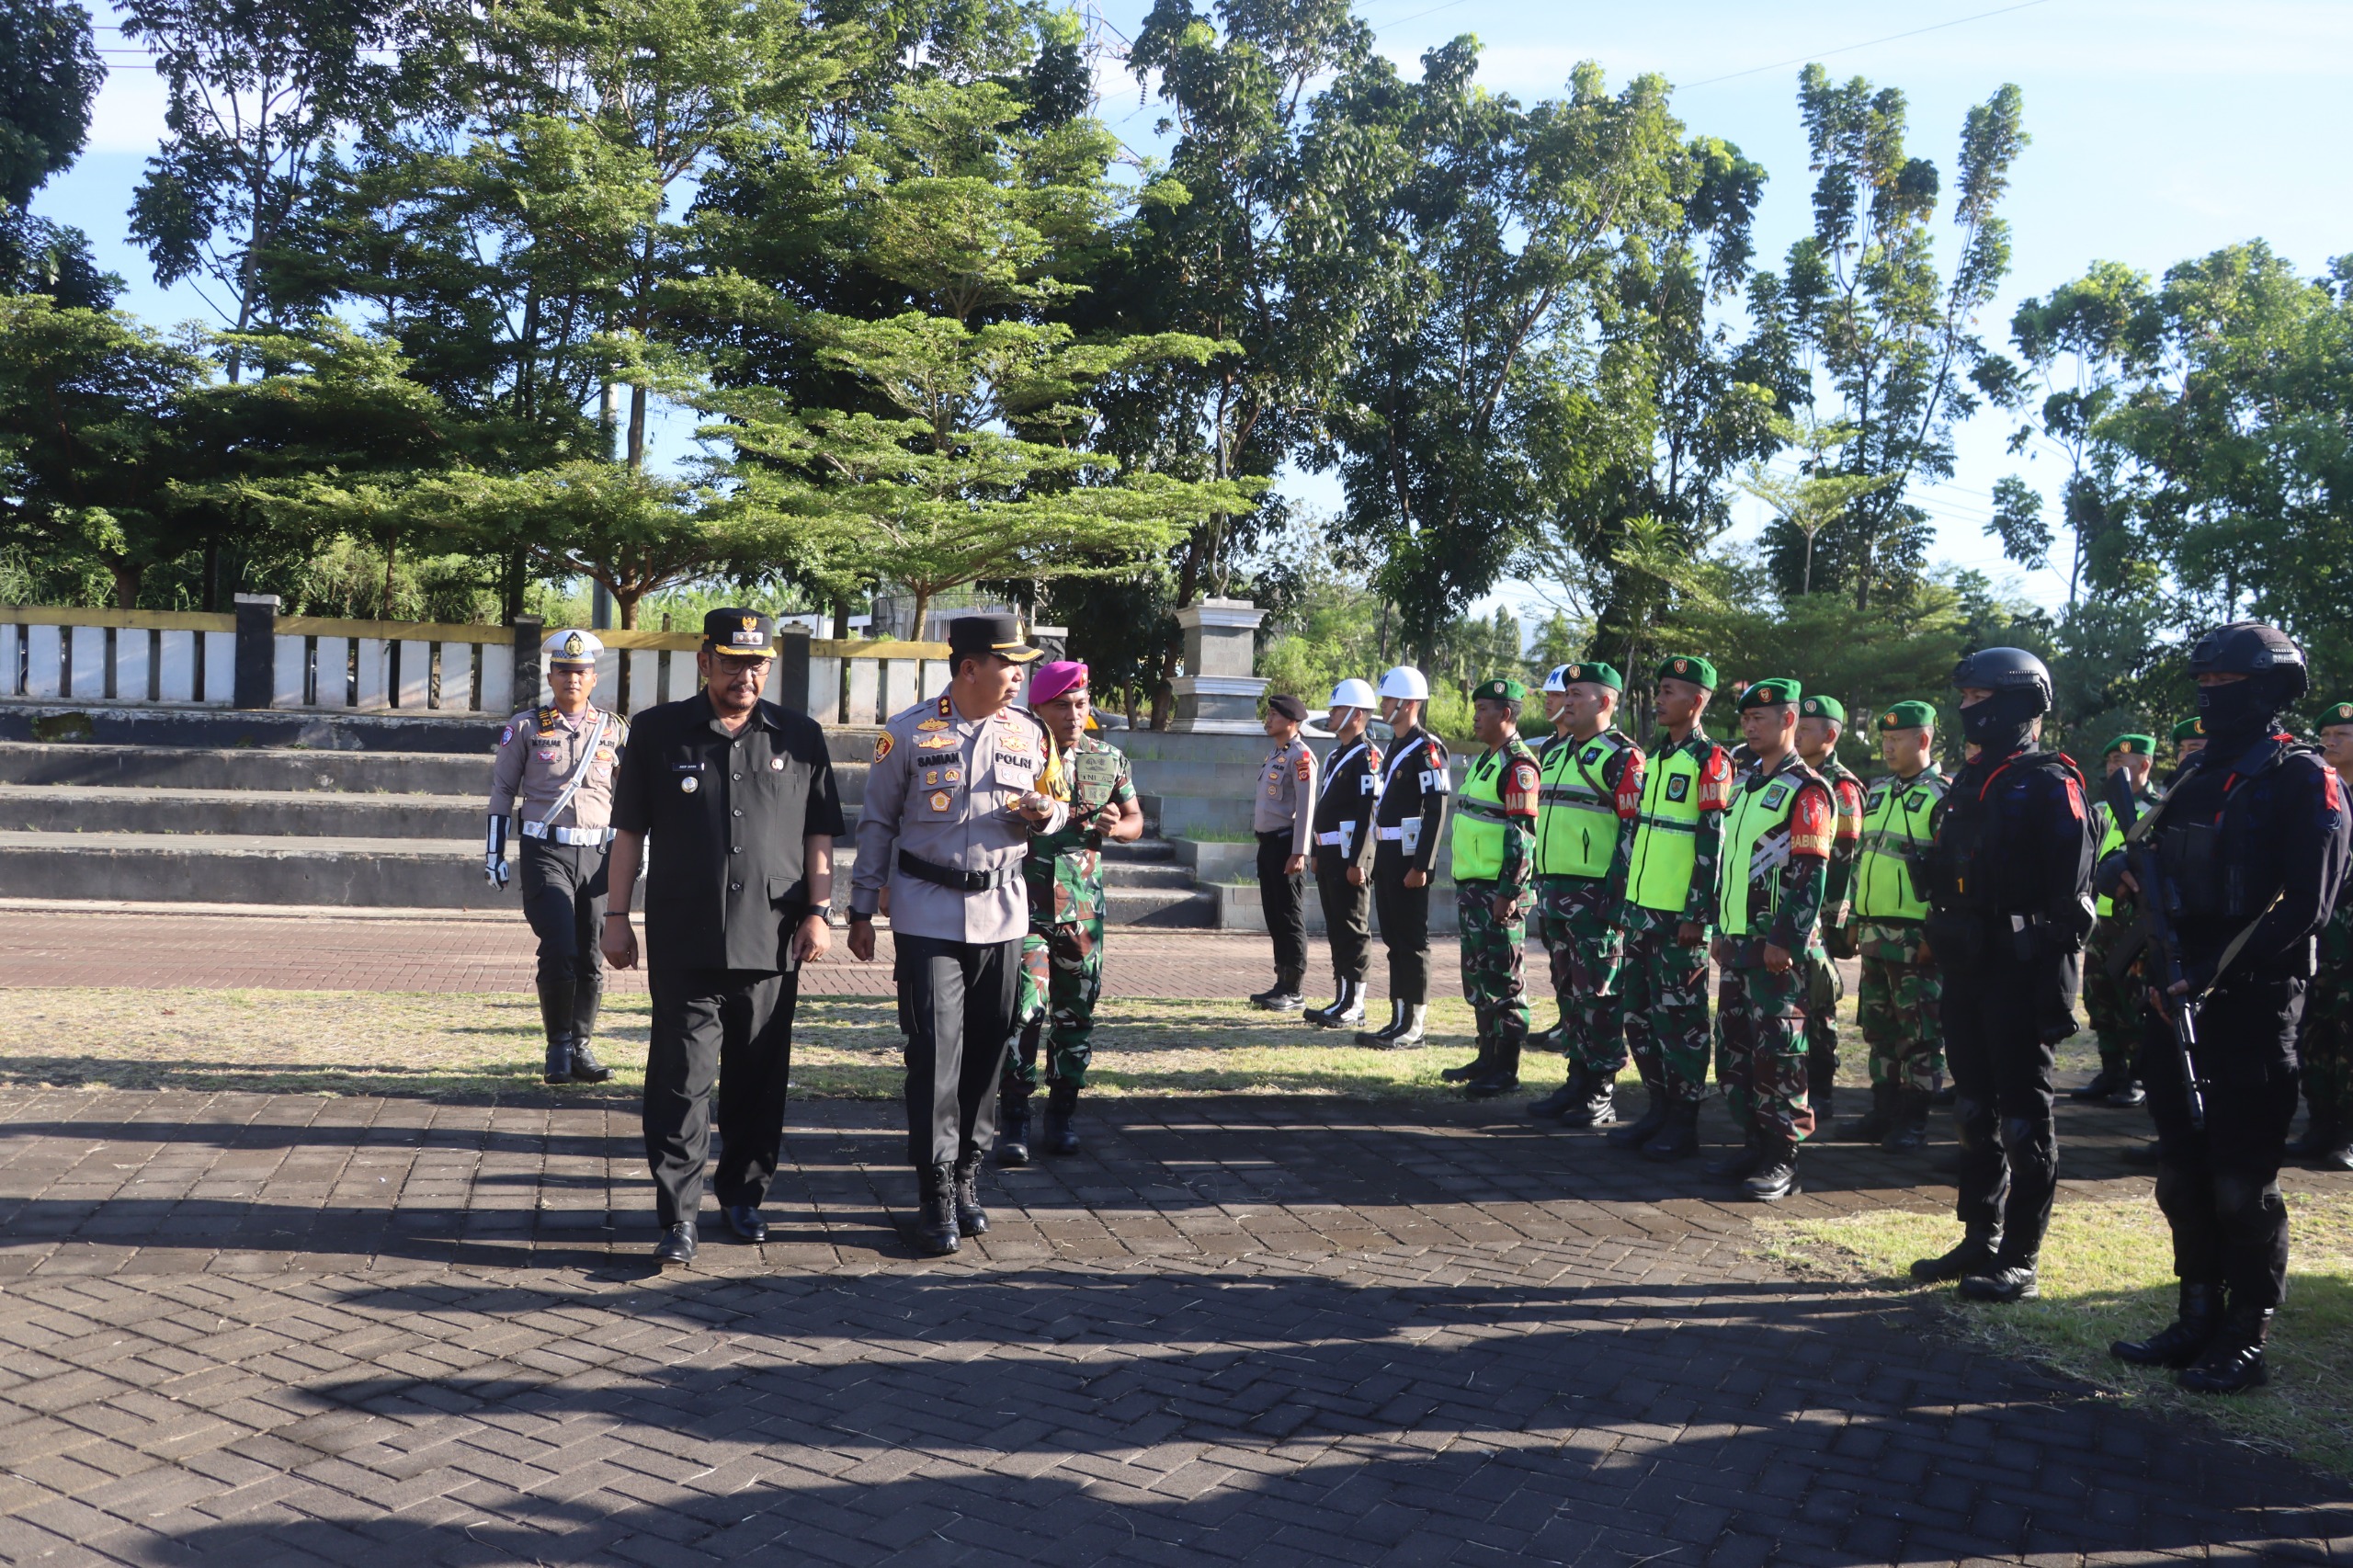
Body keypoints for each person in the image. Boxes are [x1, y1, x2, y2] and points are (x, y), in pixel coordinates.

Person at [2107, 623, 2349, 1392]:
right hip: (2174, 997)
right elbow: (2148, 856)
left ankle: (2246, 1337)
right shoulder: (2196, 775)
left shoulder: (2303, 779)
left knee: (2243, 1185)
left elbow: (2307, 907)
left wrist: (2210, 972)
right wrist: (2124, 876)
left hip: (2251, 1006)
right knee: (2181, 1177)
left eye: (2226, 686)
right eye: (2203, 687)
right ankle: (2197, 1314)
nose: (2211, 700)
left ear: (2272, 690)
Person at [601, 609, 844, 1268]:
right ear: (704, 661)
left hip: (772, 939)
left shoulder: (800, 736)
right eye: (733, 661)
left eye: (756, 663)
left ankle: (743, 1196)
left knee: (758, 1077)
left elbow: (819, 834)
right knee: (680, 1082)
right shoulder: (657, 733)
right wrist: (615, 916)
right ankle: (677, 1215)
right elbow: (629, 832)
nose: (746, 674)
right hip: (686, 938)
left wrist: (821, 911)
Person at [848, 614, 1062, 1256]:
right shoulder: (908, 734)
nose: (1019, 674)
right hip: (926, 910)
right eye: (1008, 662)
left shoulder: (1030, 733)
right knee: (936, 1052)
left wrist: (1044, 815)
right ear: (970, 668)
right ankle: (934, 1184)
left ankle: (969, 1172)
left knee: (990, 1048)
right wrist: (861, 908)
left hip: (1002, 910)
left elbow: (1052, 807)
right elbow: (877, 823)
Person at [1909, 647, 2097, 1303]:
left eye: (1978, 697)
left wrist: (2036, 962)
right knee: (1970, 1108)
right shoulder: (1971, 778)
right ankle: (1978, 1237)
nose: (1966, 709)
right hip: (1968, 963)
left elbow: (2072, 904)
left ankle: (2021, 1255)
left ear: (2016, 700)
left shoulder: (2051, 781)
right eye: (1965, 697)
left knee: (2023, 1117)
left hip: (2021, 970)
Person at [996, 661, 1142, 1165]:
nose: (1073, 714)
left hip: (1082, 914)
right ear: (1037, 707)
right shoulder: (1020, 754)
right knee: (1023, 1012)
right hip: (1025, 909)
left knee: (1075, 1016)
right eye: (1062, 704)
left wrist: (1116, 828)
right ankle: (1013, 1119)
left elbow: (1135, 819)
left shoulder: (1108, 758)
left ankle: (1062, 1115)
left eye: (1080, 704)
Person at [1706, 678, 1835, 1200]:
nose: (1750, 726)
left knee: (1781, 1050)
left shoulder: (1808, 789)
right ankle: (1754, 1144)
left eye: (1760, 718)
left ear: (1788, 721)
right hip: (1738, 944)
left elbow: (1811, 873)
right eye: (1745, 719)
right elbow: (1727, 867)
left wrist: (1786, 937)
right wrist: (1719, 927)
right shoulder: (1744, 787)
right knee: (1736, 1049)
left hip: (1776, 949)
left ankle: (1784, 1157)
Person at [486, 629, 627, 1086]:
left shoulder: (614, 729)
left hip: (599, 852)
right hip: (545, 850)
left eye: (581, 672)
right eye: (564, 671)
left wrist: (636, 852)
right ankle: (557, 1047)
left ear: (593, 678)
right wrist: (494, 852)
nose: (572, 679)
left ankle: (583, 1047)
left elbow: (630, 799)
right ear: (551, 675)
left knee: (590, 952)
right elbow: (503, 792)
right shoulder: (526, 726)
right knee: (560, 945)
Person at [1608, 654, 1733, 1160]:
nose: (1658, 699)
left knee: (1680, 1022)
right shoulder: (1656, 759)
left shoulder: (1711, 761)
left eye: (1668, 691)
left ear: (1697, 701)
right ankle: (1657, 1109)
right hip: (1641, 914)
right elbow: (1634, 837)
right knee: (1638, 1016)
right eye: (1658, 690)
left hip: (1679, 922)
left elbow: (1714, 845)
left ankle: (1684, 1121)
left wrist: (1697, 915)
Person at [1525, 662, 1643, 1128]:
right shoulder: (1553, 754)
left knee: (1600, 994)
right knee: (1568, 992)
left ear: (1606, 702)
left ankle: (1601, 1088)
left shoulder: (1623, 757)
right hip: (1555, 894)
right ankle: (1577, 1077)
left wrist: (1617, 901)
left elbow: (1632, 833)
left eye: (1577, 694)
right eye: (1566, 693)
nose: (1567, 701)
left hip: (1597, 900)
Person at [1837, 701, 1948, 1151]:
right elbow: (1864, 863)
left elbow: (1949, 877)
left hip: (1915, 937)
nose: (1887, 746)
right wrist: (1854, 919)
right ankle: (1882, 1112)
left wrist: (1934, 934)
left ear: (1922, 740)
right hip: (1875, 934)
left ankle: (1913, 1121)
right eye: (1884, 739)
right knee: (1879, 1029)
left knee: (1919, 1033)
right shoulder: (1879, 793)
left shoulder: (1943, 797)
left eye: (1896, 739)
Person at [1447, 678, 1542, 1097]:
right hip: (1475, 890)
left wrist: (1508, 891)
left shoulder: (1518, 765)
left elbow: (1521, 837)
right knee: (1479, 978)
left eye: (1483, 708)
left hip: (1498, 893)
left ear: (1506, 714)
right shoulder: (1488, 760)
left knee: (1504, 980)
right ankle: (1486, 1056)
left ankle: (1506, 1068)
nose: (1475, 715)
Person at [1361, 666, 1450, 1048]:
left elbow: (1436, 808)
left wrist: (1423, 866)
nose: (1382, 706)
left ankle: (1414, 1025)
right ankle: (1398, 1017)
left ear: (1409, 703)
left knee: (1412, 940)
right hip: (1387, 854)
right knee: (1395, 940)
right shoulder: (1395, 746)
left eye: (1389, 699)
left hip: (1410, 858)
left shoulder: (1427, 748)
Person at [2075, 733, 2161, 1109]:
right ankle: (2111, 1071)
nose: (2113, 768)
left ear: (2144, 765)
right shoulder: (2099, 808)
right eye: (2110, 761)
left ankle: (2137, 1076)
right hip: (2101, 922)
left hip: (2136, 926)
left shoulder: (2160, 809)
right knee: (2099, 998)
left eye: (2121, 762)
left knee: (2134, 1002)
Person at [1793, 695, 1866, 1119]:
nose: (1798, 733)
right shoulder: (1795, 776)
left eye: (1807, 727)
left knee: (1819, 1006)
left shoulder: (1841, 786)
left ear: (1831, 735)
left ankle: (1820, 1089)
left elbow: (1845, 859)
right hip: (1792, 911)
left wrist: (1833, 924)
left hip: (1820, 917)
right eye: (1796, 724)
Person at [2290, 701, 2353, 1171]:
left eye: (2341, 734)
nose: (2329, 742)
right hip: (2320, 934)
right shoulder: (2315, 795)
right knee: (2314, 1031)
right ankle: (2319, 1126)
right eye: (2325, 734)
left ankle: (2346, 1136)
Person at [1305, 679, 1383, 1028]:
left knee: (1353, 928)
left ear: (1357, 715)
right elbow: (1323, 807)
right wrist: (1315, 849)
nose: (1332, 713)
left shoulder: (1368, 755)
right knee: (1337, 928)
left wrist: (1358, 861)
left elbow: (1369, 810)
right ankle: (1341, 998)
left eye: (1338, 708)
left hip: (1350, 856)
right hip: (1330, 853)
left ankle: (1356, 1003)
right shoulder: (1337, 753)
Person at [1249, 695, 1318, 1010]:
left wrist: (1299, 851)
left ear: (1291, 721)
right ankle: (1281, 981)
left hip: (1287, 846)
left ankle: (1294, 989)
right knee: (1275, 915)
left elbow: (1305, 807)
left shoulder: (1301, 757)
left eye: (1274, 714)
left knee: (1290, 916)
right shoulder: (1277, 754)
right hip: (1269, 845)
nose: (1268, 719)